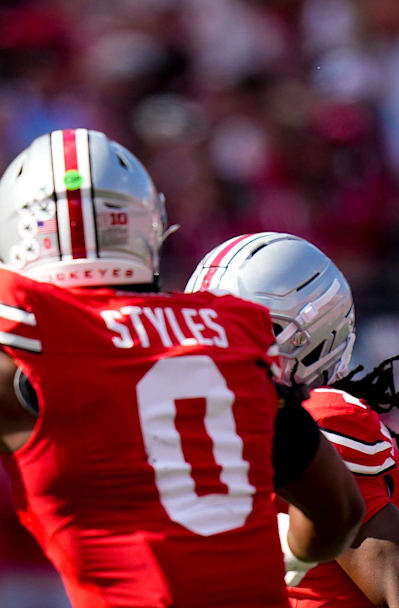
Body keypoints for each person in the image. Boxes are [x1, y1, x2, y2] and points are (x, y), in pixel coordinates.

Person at [0, 129, 364, 608]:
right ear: (146, 225)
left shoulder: (24, 351)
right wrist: (289, 561)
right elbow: (338, 513)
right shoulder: (227, 335)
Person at [187, 232, 399, 608]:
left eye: (242, 330)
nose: (219, 348)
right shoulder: (195, 422)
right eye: (208, 327)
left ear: (313, 340)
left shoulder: (321, 419)